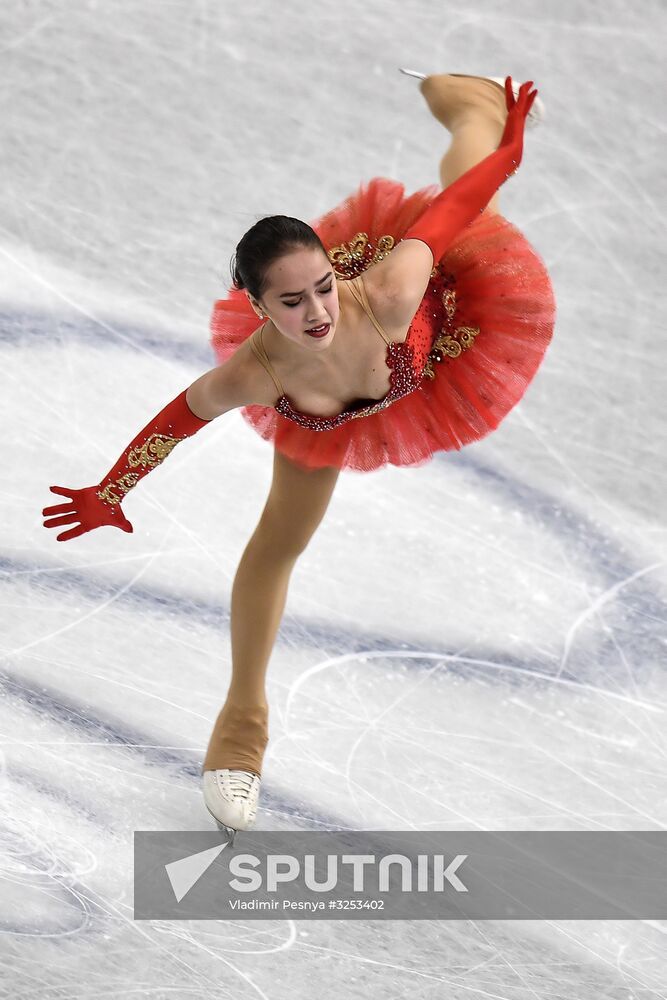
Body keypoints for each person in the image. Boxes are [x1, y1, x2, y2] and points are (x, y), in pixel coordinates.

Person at [42, 74, 556, 838]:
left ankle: (471, 109)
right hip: (320, 419)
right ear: (256, 308)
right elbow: (175, 421)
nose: (316, 312)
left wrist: (508, 151)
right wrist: (111, 491)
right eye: (291, 302)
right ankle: (240, 733)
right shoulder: (254, 371)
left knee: (472, 205)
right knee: (277, 542)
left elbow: (452, 209)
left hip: (439, 325)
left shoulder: (387, 290)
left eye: (321, 287)